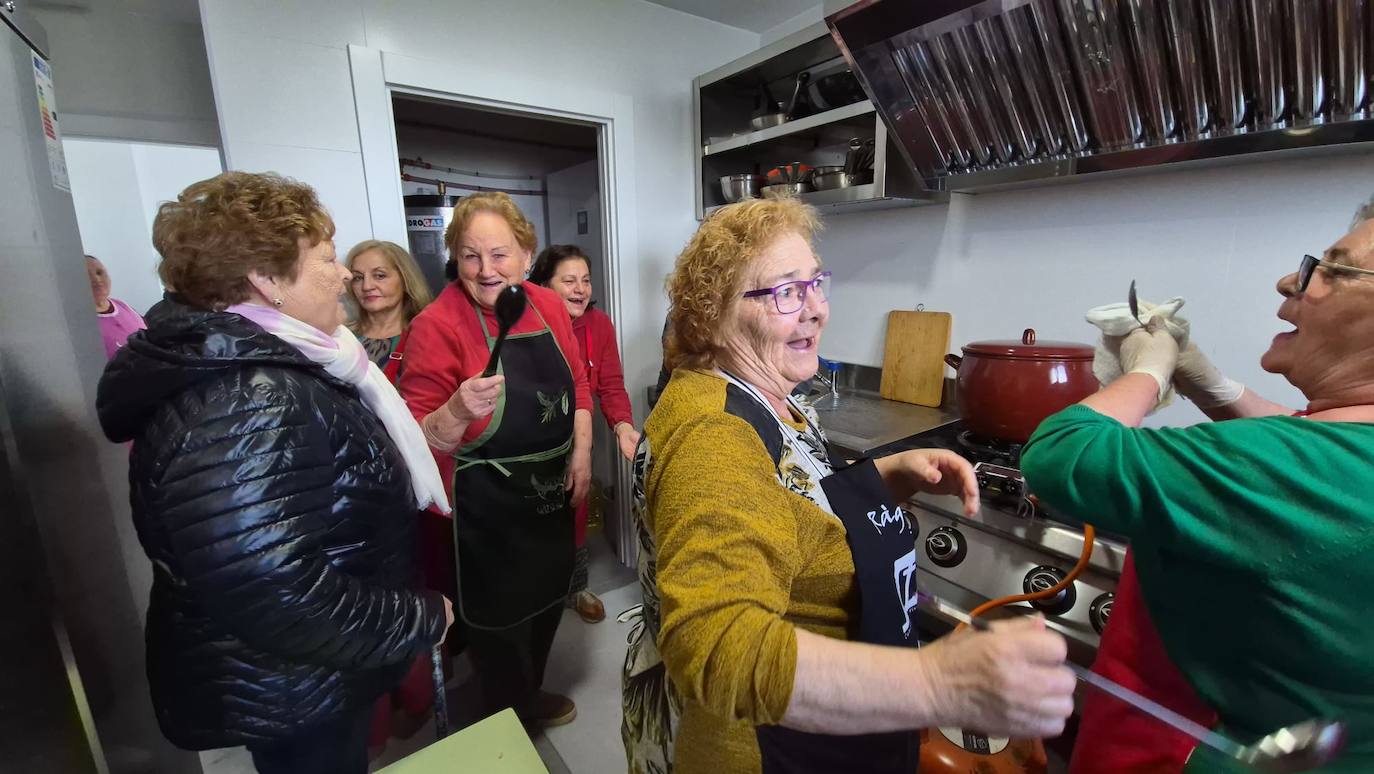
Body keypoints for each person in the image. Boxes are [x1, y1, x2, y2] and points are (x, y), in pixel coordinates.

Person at [621, 198, 1076, 774]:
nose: (817, 311)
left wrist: (889, 475)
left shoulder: (770, 396)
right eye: (786, 292)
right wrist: (937, 682)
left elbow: (791, 501)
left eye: (816, 283)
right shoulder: (714, 433)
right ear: (714, 316)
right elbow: (716, 643)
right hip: (770, 750)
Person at [95, 171, 453, 774]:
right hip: (292, 686)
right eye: (328, 258)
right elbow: (272, 588)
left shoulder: (285, 360)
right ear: (266, 279)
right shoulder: (247, 398)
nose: (342, 275)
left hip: (305, 673)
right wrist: (414, 618)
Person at [1021, 202, 1374, 773]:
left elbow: (1064, 452)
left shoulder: (1286, 470)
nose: (1292, 280)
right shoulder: (1343, 455)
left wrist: (1148, 371)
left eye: (1333, 269)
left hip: (1180, 754)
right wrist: (1210, 384)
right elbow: (1317, 438)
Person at [399, 192, 592, 728]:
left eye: (500, 254)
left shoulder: (548, 304)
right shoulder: (436, 326)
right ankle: (512, 718)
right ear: (454, 259)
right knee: (498, 629)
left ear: (527, 254)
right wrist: (456, 410)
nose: (486, 271)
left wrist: (582, 449)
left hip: (550, 496)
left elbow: (577, 381)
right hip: (485, 513)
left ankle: (528, 694)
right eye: (469, 256)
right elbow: (418, 440)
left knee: (549, 603)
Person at [529, 244, 638, 624]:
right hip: (527, 440)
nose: (580, 289)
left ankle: (574, 588)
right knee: (531, 517)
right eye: (569, 280)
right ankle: (534, 596)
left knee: (574, 506)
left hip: (578, 434)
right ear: (543, 285)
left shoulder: (598, 325)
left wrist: (623, 424)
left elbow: (610, 384)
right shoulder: (525, 324)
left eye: (586, 280)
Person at [346, 239, 433, 373]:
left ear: (405, 280)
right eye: (358, 278)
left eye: (380, 276)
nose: (367, 286)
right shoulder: (340, 337)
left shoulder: (427, 337)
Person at [87, 254, 146, 360]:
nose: (97, 279)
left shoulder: (122, 305)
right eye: (86, 275)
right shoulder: (82, 323)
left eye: (100, 273)